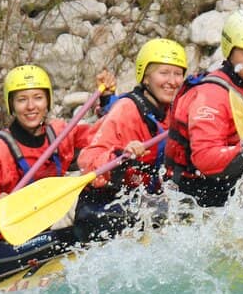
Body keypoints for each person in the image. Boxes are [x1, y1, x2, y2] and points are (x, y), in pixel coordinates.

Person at [0, 65, 98, 281]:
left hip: (46, 227)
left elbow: (102, 139)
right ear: (12, 105)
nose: (30, 106)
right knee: (76, 231)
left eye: (38, 98)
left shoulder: (61, 132)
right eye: (21, 100)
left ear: (47, 102)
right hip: (6, 244)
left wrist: (109, 100)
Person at [165, 10, 243, 207]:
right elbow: (204, 158)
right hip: (199, 197)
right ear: (230, 52)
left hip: (234, 186)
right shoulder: (211, 95)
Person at [75, 38, 188, 239]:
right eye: (164, 73)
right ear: (146, 78)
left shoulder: (173, 112)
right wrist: (121, 155)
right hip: (101, 207)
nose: (172, 81)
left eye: (177, 74)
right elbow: (88, 162)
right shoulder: (126, 110)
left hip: (142, 200)